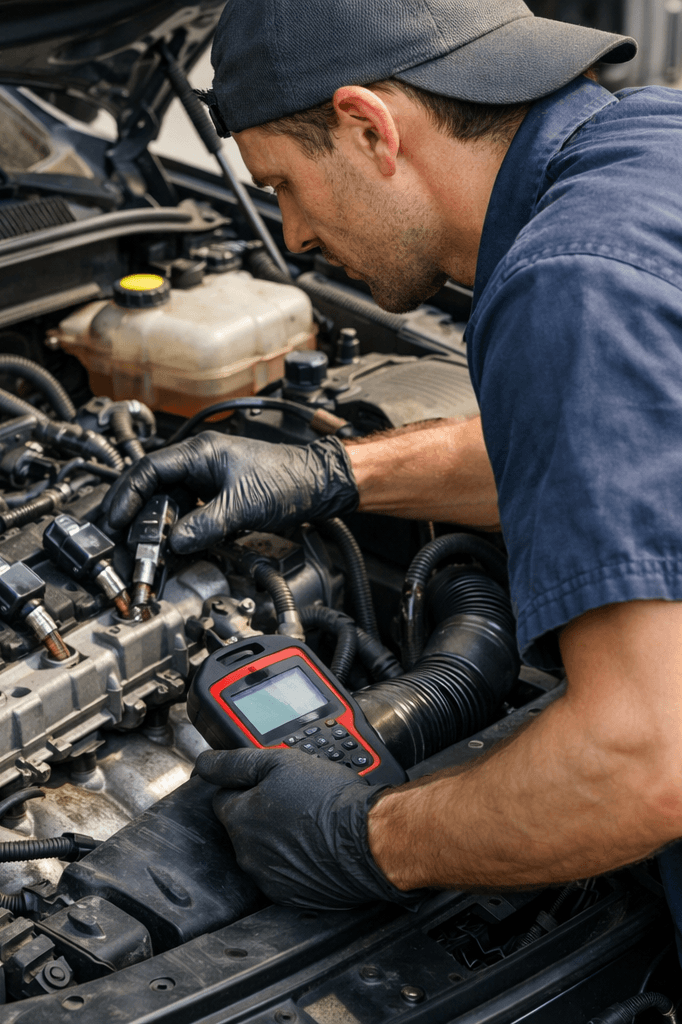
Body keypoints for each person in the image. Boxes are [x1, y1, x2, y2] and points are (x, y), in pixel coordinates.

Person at [106, 0, 682, 921]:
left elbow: (646, 760)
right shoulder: (655, 144)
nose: (291, 235)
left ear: (368, 126)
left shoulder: (571, 285)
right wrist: (333, 474)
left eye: (285, 184)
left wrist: (367, 839)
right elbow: (607, 463)